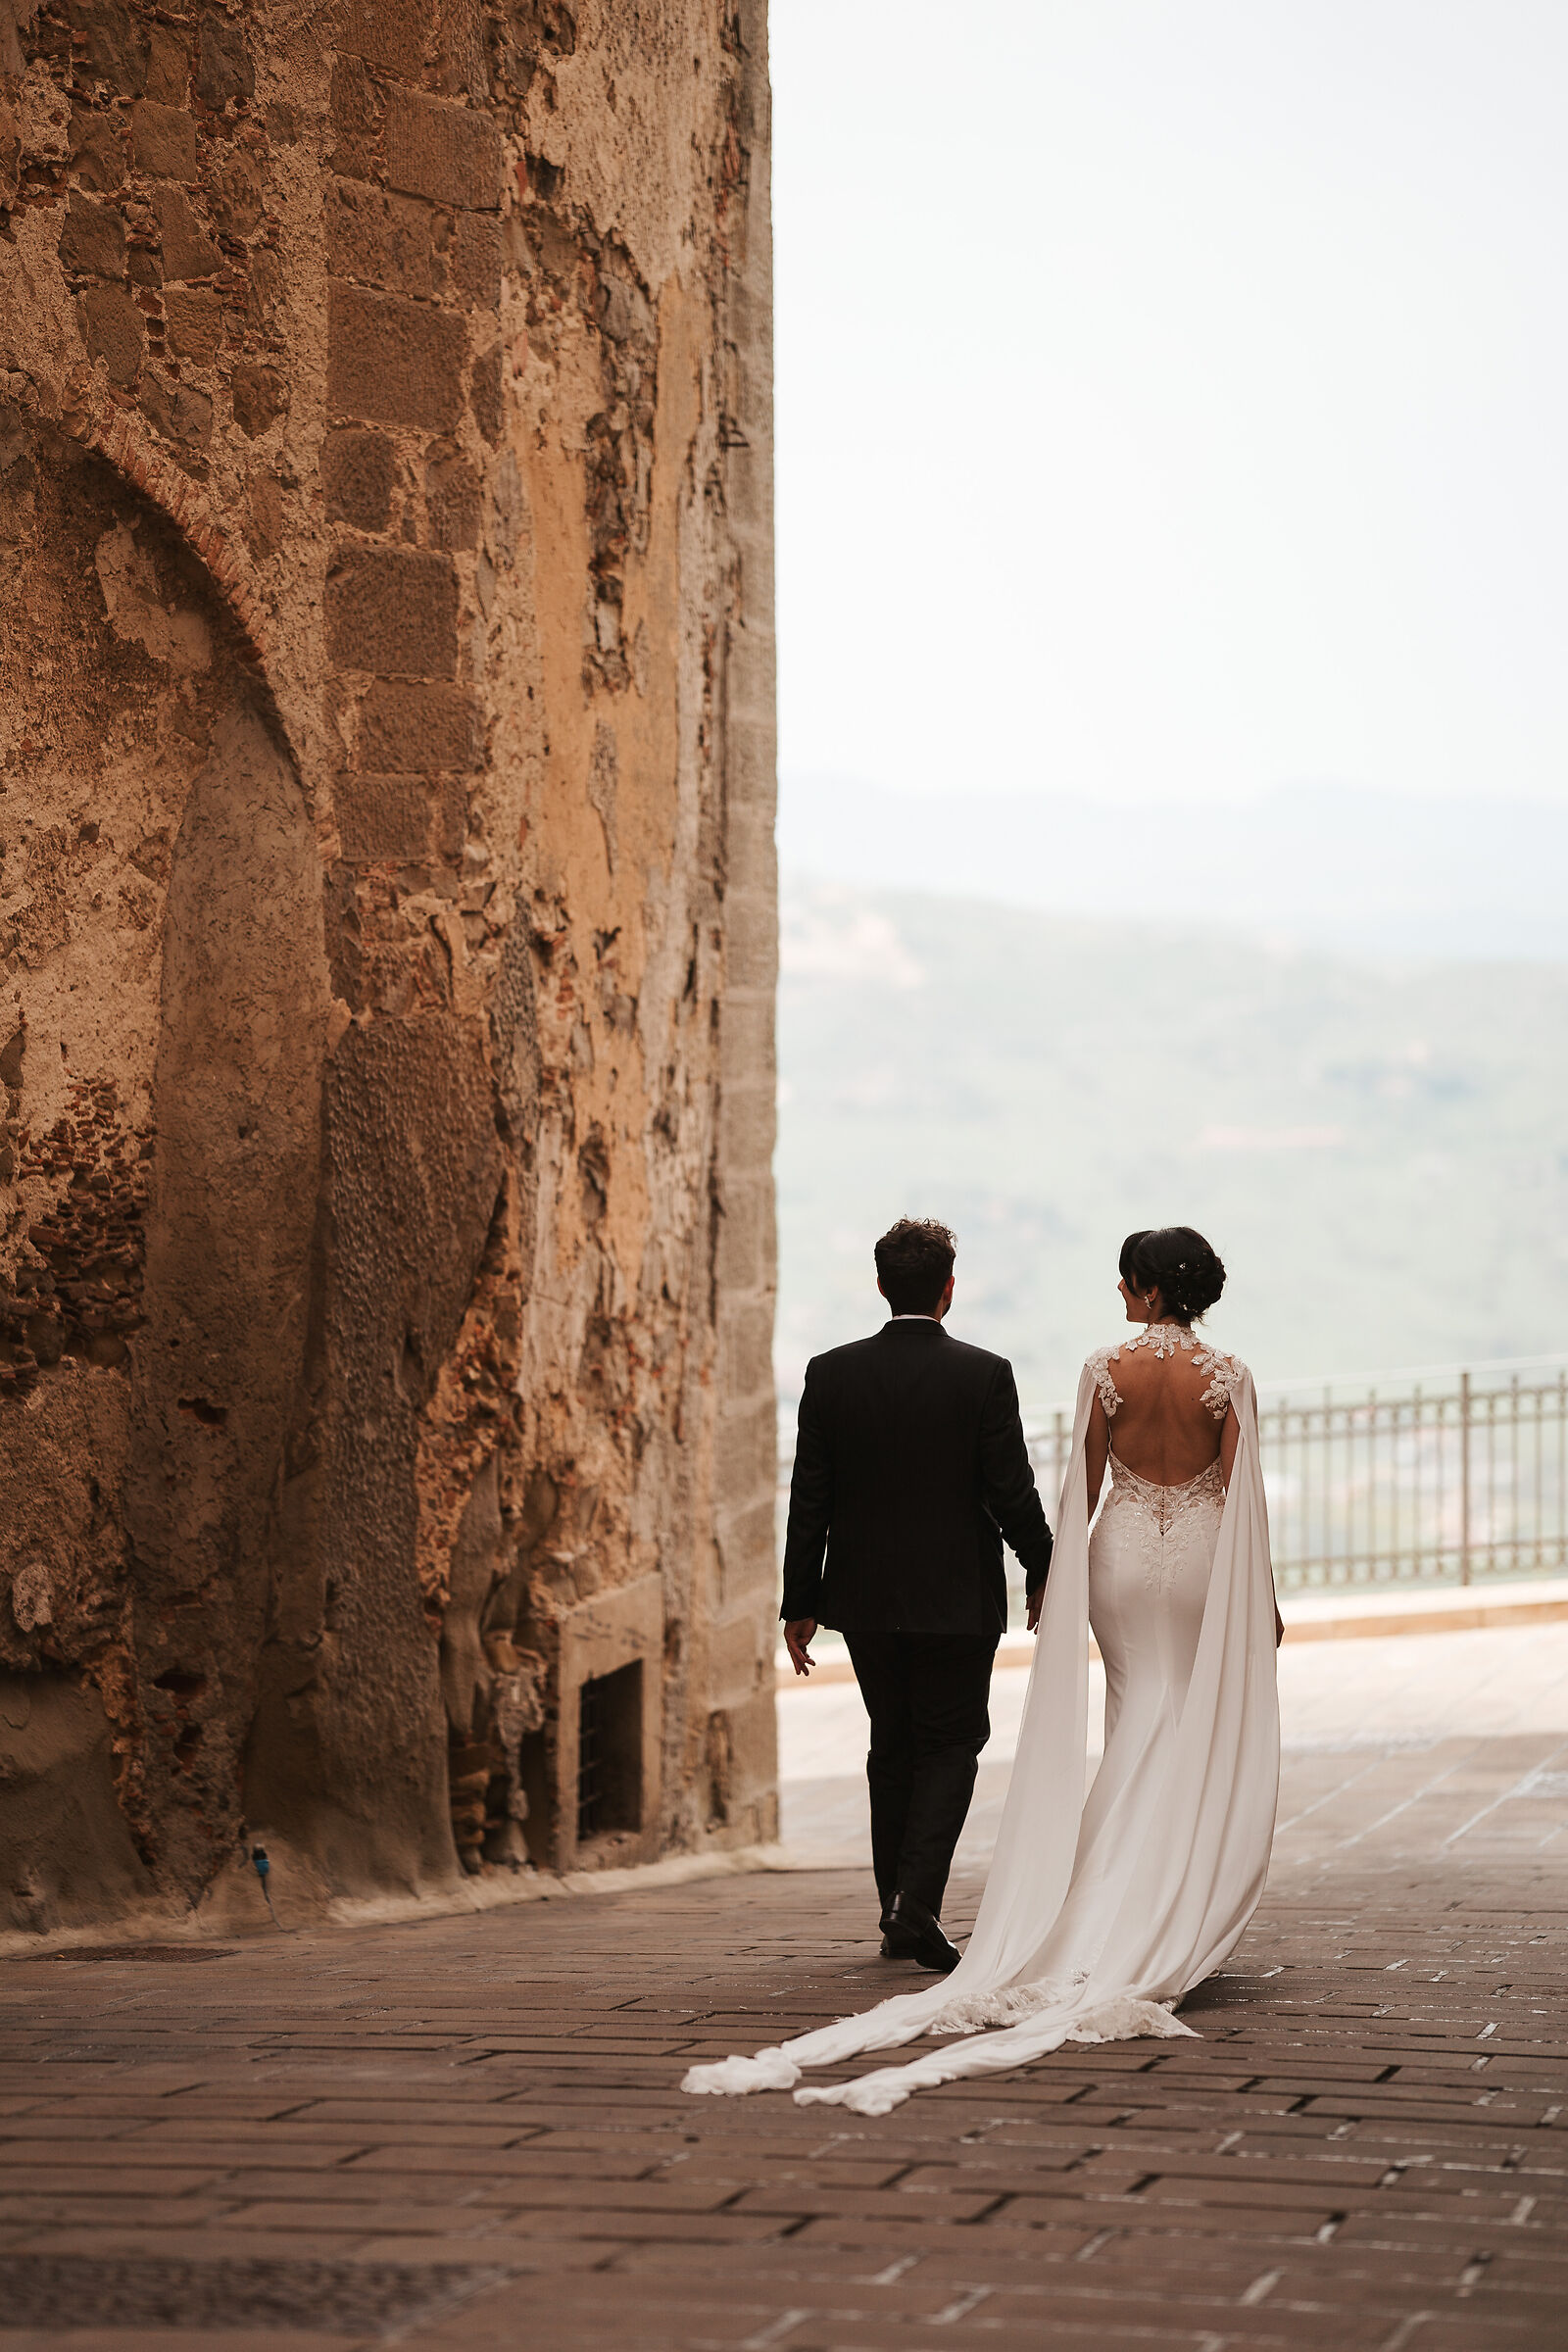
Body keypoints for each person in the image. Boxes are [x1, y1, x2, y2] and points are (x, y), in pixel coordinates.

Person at [686, 1225, 1283, 2111]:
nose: (1121, 1293)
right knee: (1140, 1722)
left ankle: (973, 1900)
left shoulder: (1092, 1369)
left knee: (1019, 1730)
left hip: (1078, 1567)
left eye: (1127, 1281)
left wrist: (1059, 1579)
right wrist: (1247, 1596)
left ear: (1152, 1290)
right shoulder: (1220, 1374)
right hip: (1159, 1569)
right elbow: (1232, 1497)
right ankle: (1140, 1895)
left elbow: (1076, 1487)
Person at [777, 1217, 1054, 1973]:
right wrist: (1044, 1567)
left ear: (880, 1285)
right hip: (957, 1599)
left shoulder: (830, 1373)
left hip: (863, 1599)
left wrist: (800, 1601)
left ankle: (898, 1911)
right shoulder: (983, 1374)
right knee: (951, 1745)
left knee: (891, 1745)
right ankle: (914, 1904)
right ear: (948, 1290)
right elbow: (1010, 1490)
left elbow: (810, 1498)